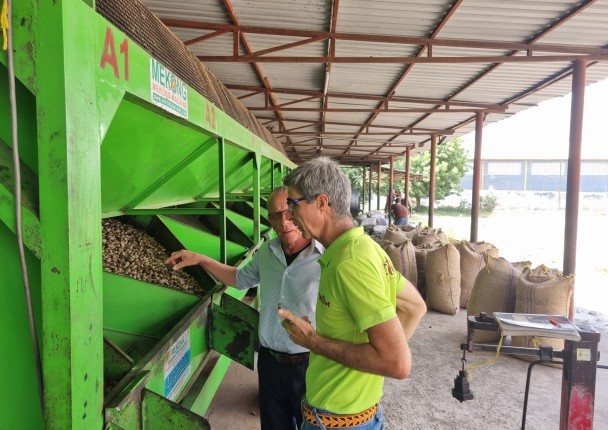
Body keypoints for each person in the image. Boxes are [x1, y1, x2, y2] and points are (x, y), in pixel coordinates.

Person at [278, 157, 427, 430]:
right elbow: (414, 306)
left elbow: (397, 363)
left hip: (338, 423)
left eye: (292, 203)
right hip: (352, 416)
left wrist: (313, 341)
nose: (287, 215)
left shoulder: (351, 263)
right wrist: (371, 362)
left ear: (321, 203)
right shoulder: (364, 247)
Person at [164, 187, 324, 430]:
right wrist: (201, 259)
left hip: (310, 364)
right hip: (270, 363)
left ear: (298, 210)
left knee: (311, 425)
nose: (283, 222)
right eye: (274, 215)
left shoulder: (326, 258)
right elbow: (238, 279)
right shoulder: (267, 253)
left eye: (287, 212)